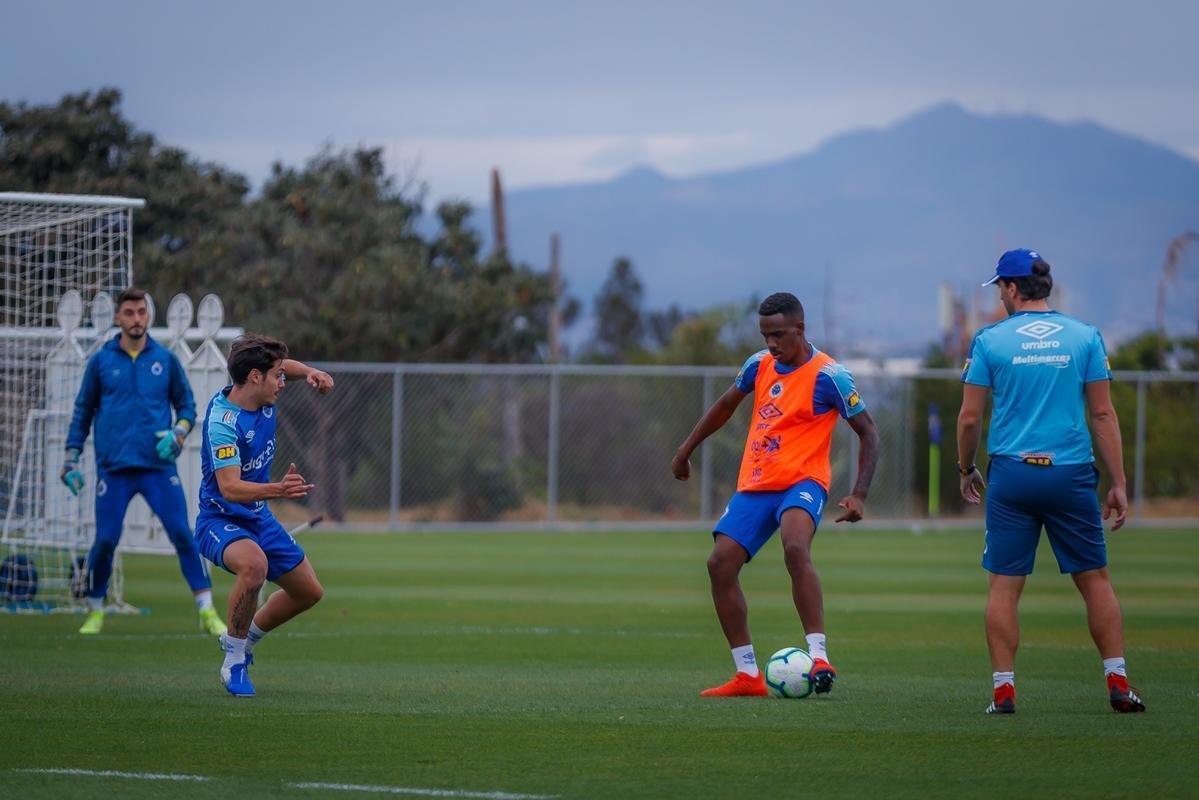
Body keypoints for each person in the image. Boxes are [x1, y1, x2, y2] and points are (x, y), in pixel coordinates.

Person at [957, 248, 1145, 715]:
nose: (1000, 295)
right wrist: (1119, 481)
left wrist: (965, 469)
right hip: (1070, 475)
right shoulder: (1085, 336)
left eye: (1000, 287)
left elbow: (968, 419)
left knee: (1004, 586)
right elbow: (1102, 412)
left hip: (1013, 476)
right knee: (1095, 580)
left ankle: (1004, 693)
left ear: (1014, 288)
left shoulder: (990, 340)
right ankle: (1118, 683)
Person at [672, 292, 880, 697]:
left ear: (800, 330)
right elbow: (724, 406)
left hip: (804, 481)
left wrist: (859, 494)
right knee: (720, 564)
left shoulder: (829, 376)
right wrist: (685, 450)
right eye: (765, 335)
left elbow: (869, 432)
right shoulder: (758, 365)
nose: (771, 343)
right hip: (756, 483)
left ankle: (818, 655)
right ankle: (747, 675)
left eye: (779, 334)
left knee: (795, 547)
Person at [63, 287, 225, 636]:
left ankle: (207, 609)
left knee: (183, 534)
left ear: (148, 316)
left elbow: (187, 408)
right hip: (115, 469)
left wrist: (179, 434)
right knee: (105, 540)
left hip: (157, 468)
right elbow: (83, 411)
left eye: (141, 312)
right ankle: (95, 609)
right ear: (119, 318)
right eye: (130, 313)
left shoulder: (165, 360)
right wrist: (71, 458)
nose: (136, 319)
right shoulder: (101, 361)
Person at [195, 333, 333, 697]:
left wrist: (312, 372)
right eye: (277, 377)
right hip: (219, 519)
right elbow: (230, 488)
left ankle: (243, 640)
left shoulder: (263, 385)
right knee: (254, 566)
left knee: (308, 592)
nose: (283, 383)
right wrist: (279, 489)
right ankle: (233, 662)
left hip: (259, 517)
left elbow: (285, 365)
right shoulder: (223, 422)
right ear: (255, 377)